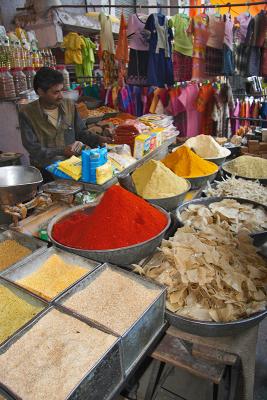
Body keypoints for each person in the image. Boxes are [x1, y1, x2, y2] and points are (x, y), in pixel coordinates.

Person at [20, 67, 111, 175]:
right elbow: (33, 149)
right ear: (40, 92)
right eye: (55, 92)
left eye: (61, 91)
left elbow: (81, 133)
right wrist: (61, 151)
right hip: (45, 170)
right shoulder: (27, 113)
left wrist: (99, 139)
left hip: (72, 167)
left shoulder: (69, 105)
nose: (61, 96)